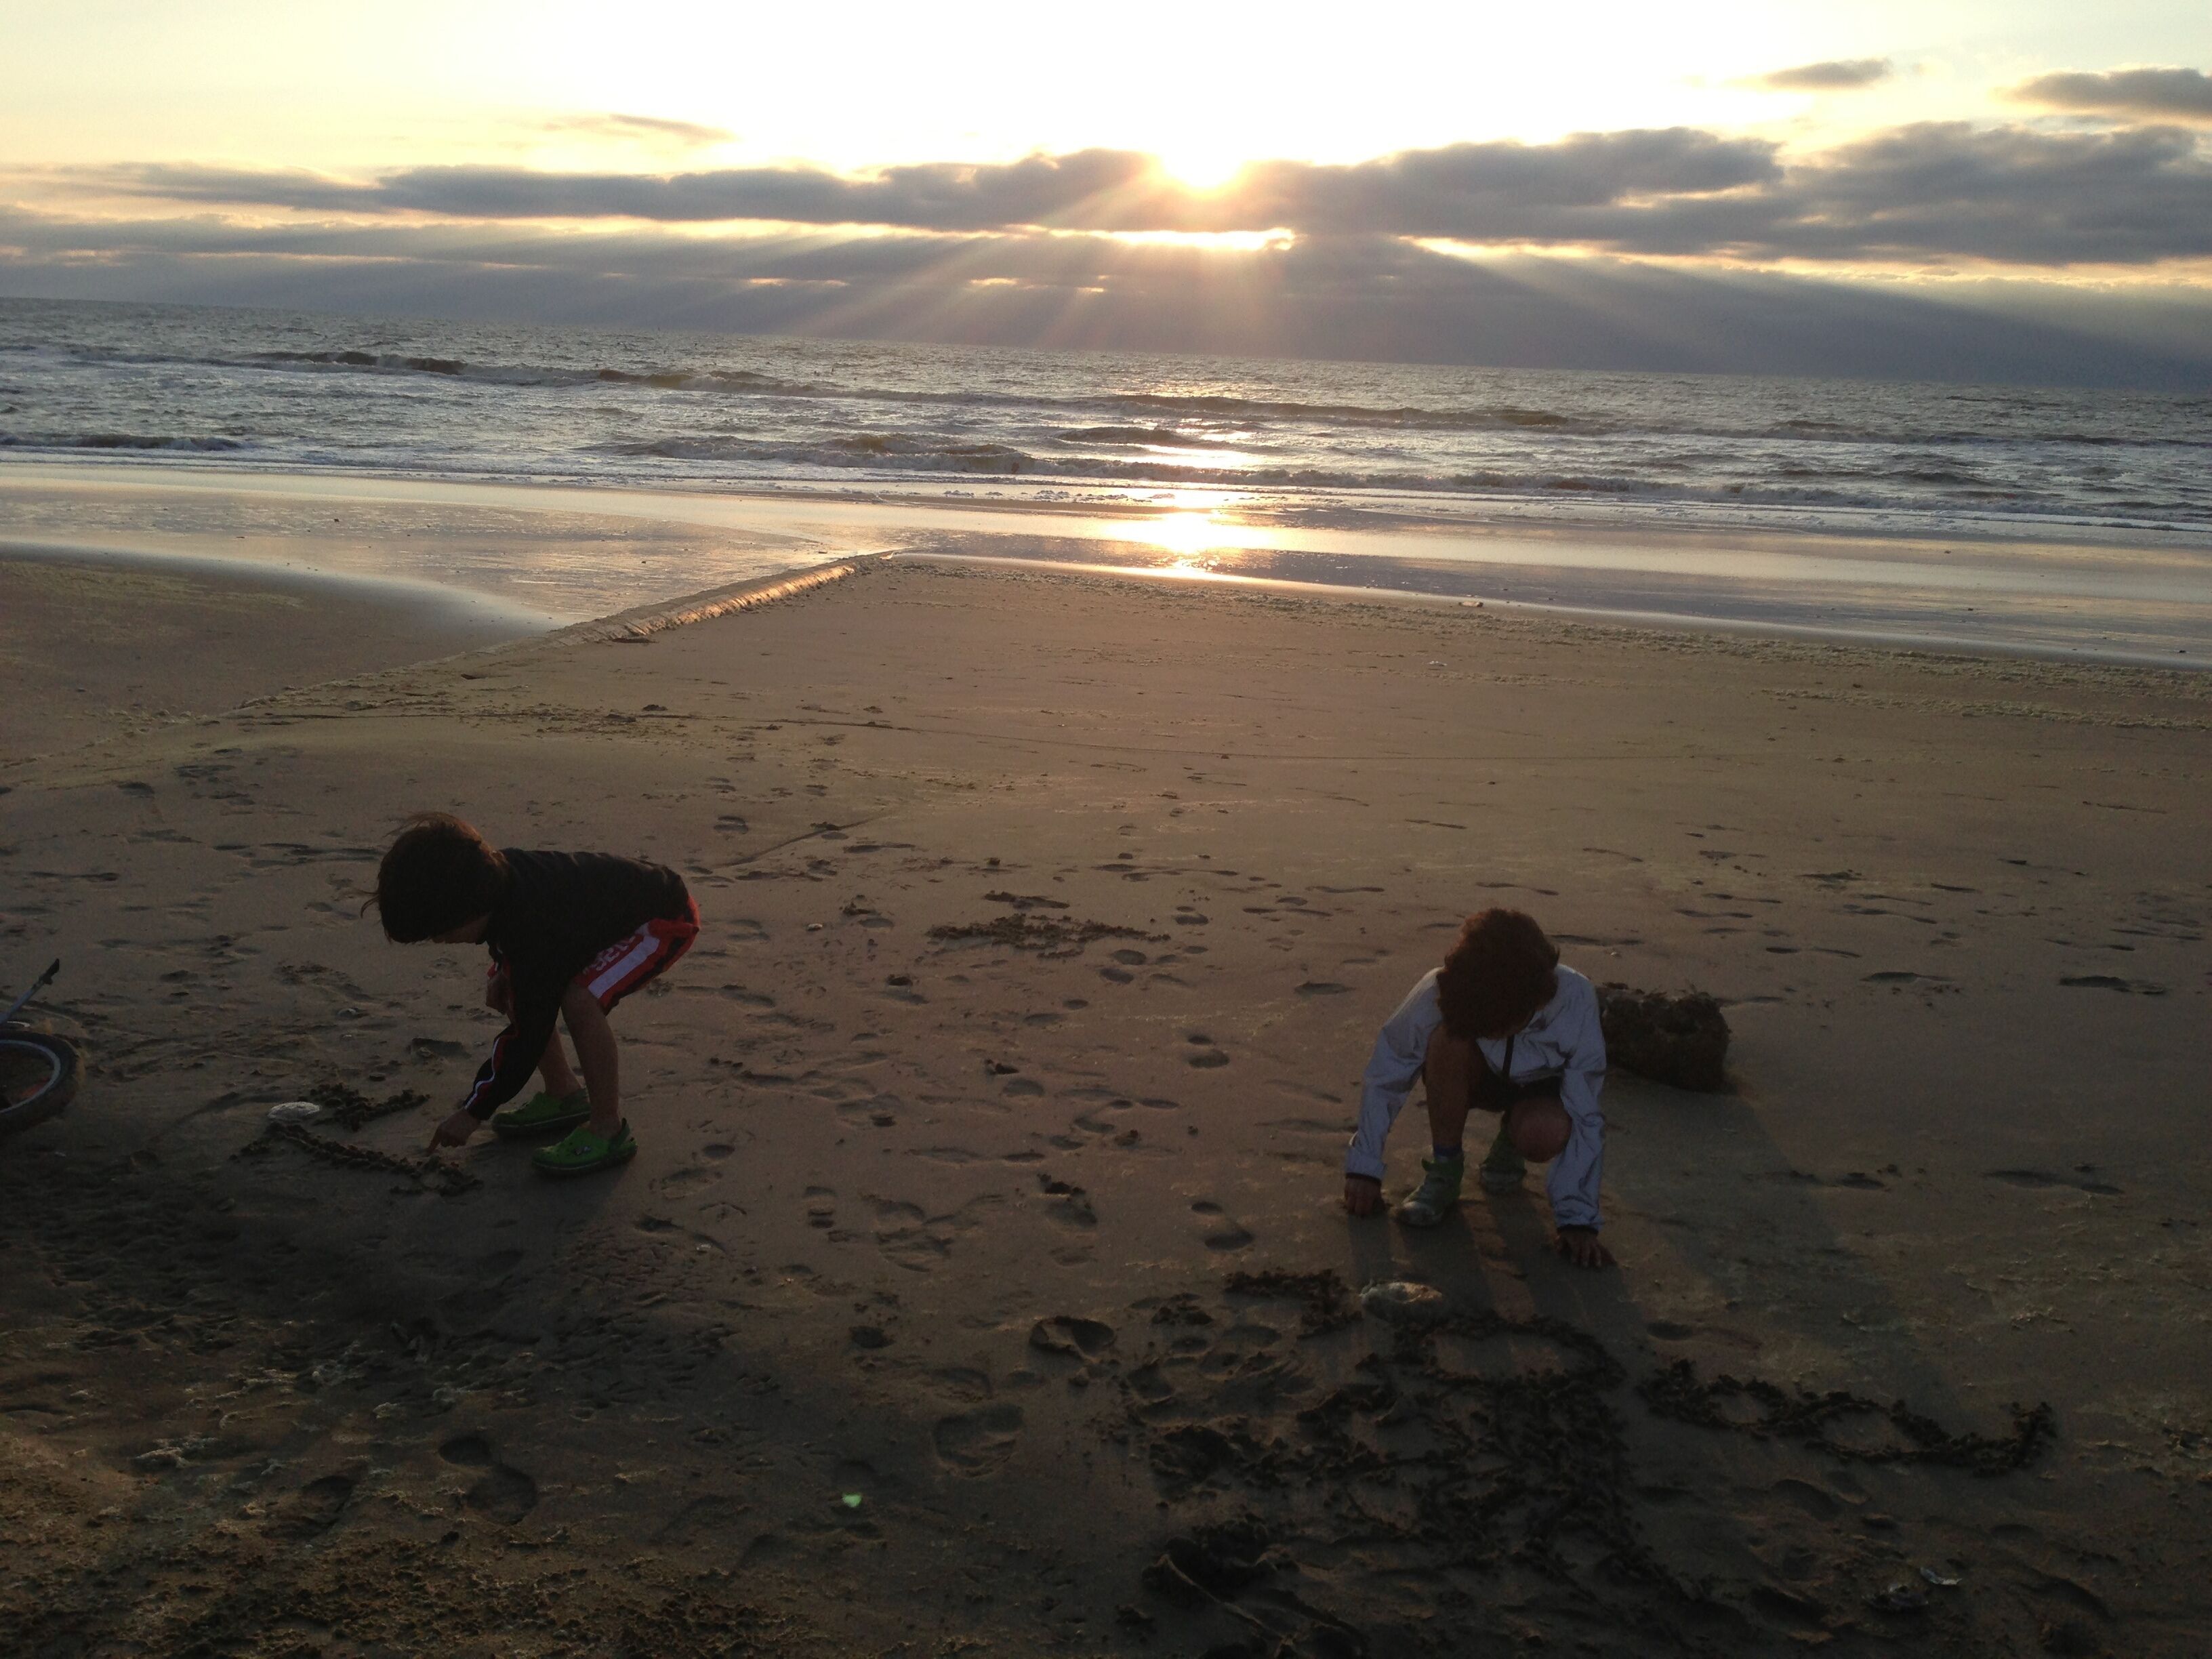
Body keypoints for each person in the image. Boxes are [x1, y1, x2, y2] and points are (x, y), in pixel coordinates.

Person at [368, 813, 699, 1176]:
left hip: (661, 918)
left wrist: (473, 1111)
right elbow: (510, 932)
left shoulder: (534, 931)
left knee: (578, 999)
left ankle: (608, 1127)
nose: (439, 940)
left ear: (468, 909)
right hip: (585, 924)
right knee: (512, 985)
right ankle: (564, 1092)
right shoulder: (495, 879)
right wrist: (502, 965)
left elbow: (528, 1035)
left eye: (439, 931)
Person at [1342, 908, 1613, 1268]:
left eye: (1495, 1026)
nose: (1488, 1030)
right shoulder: (1444, 986)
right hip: (1473, 1075)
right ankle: (1445, 1171)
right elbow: (1388, 1071)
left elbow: (1584, 1109)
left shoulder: (1575, 998)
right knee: (1446, 1041)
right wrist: (1364, 1168)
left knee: (1541, 1132)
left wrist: (1577, 1219)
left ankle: (1510, 1145)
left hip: (1540, 1089)